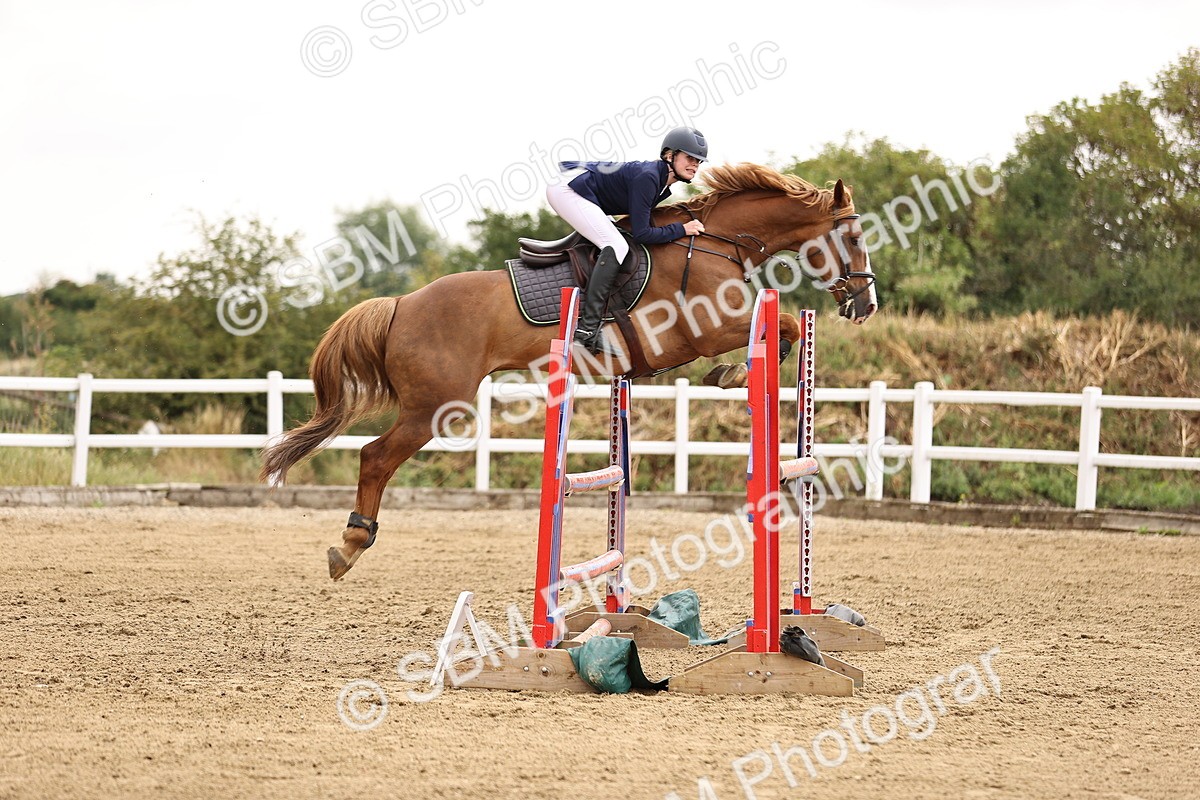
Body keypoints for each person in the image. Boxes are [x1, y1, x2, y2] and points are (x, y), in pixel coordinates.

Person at [546, 126, 708, 356]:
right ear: (669, 156)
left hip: (581, 189)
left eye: (699, 161)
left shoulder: (662, 185)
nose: (695, 165)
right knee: (617, 246)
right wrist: (681, 229)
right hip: (568, 188)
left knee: (618, 241)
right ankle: (588, 329)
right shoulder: (650, 177)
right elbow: (643, 234)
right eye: (690, 158)